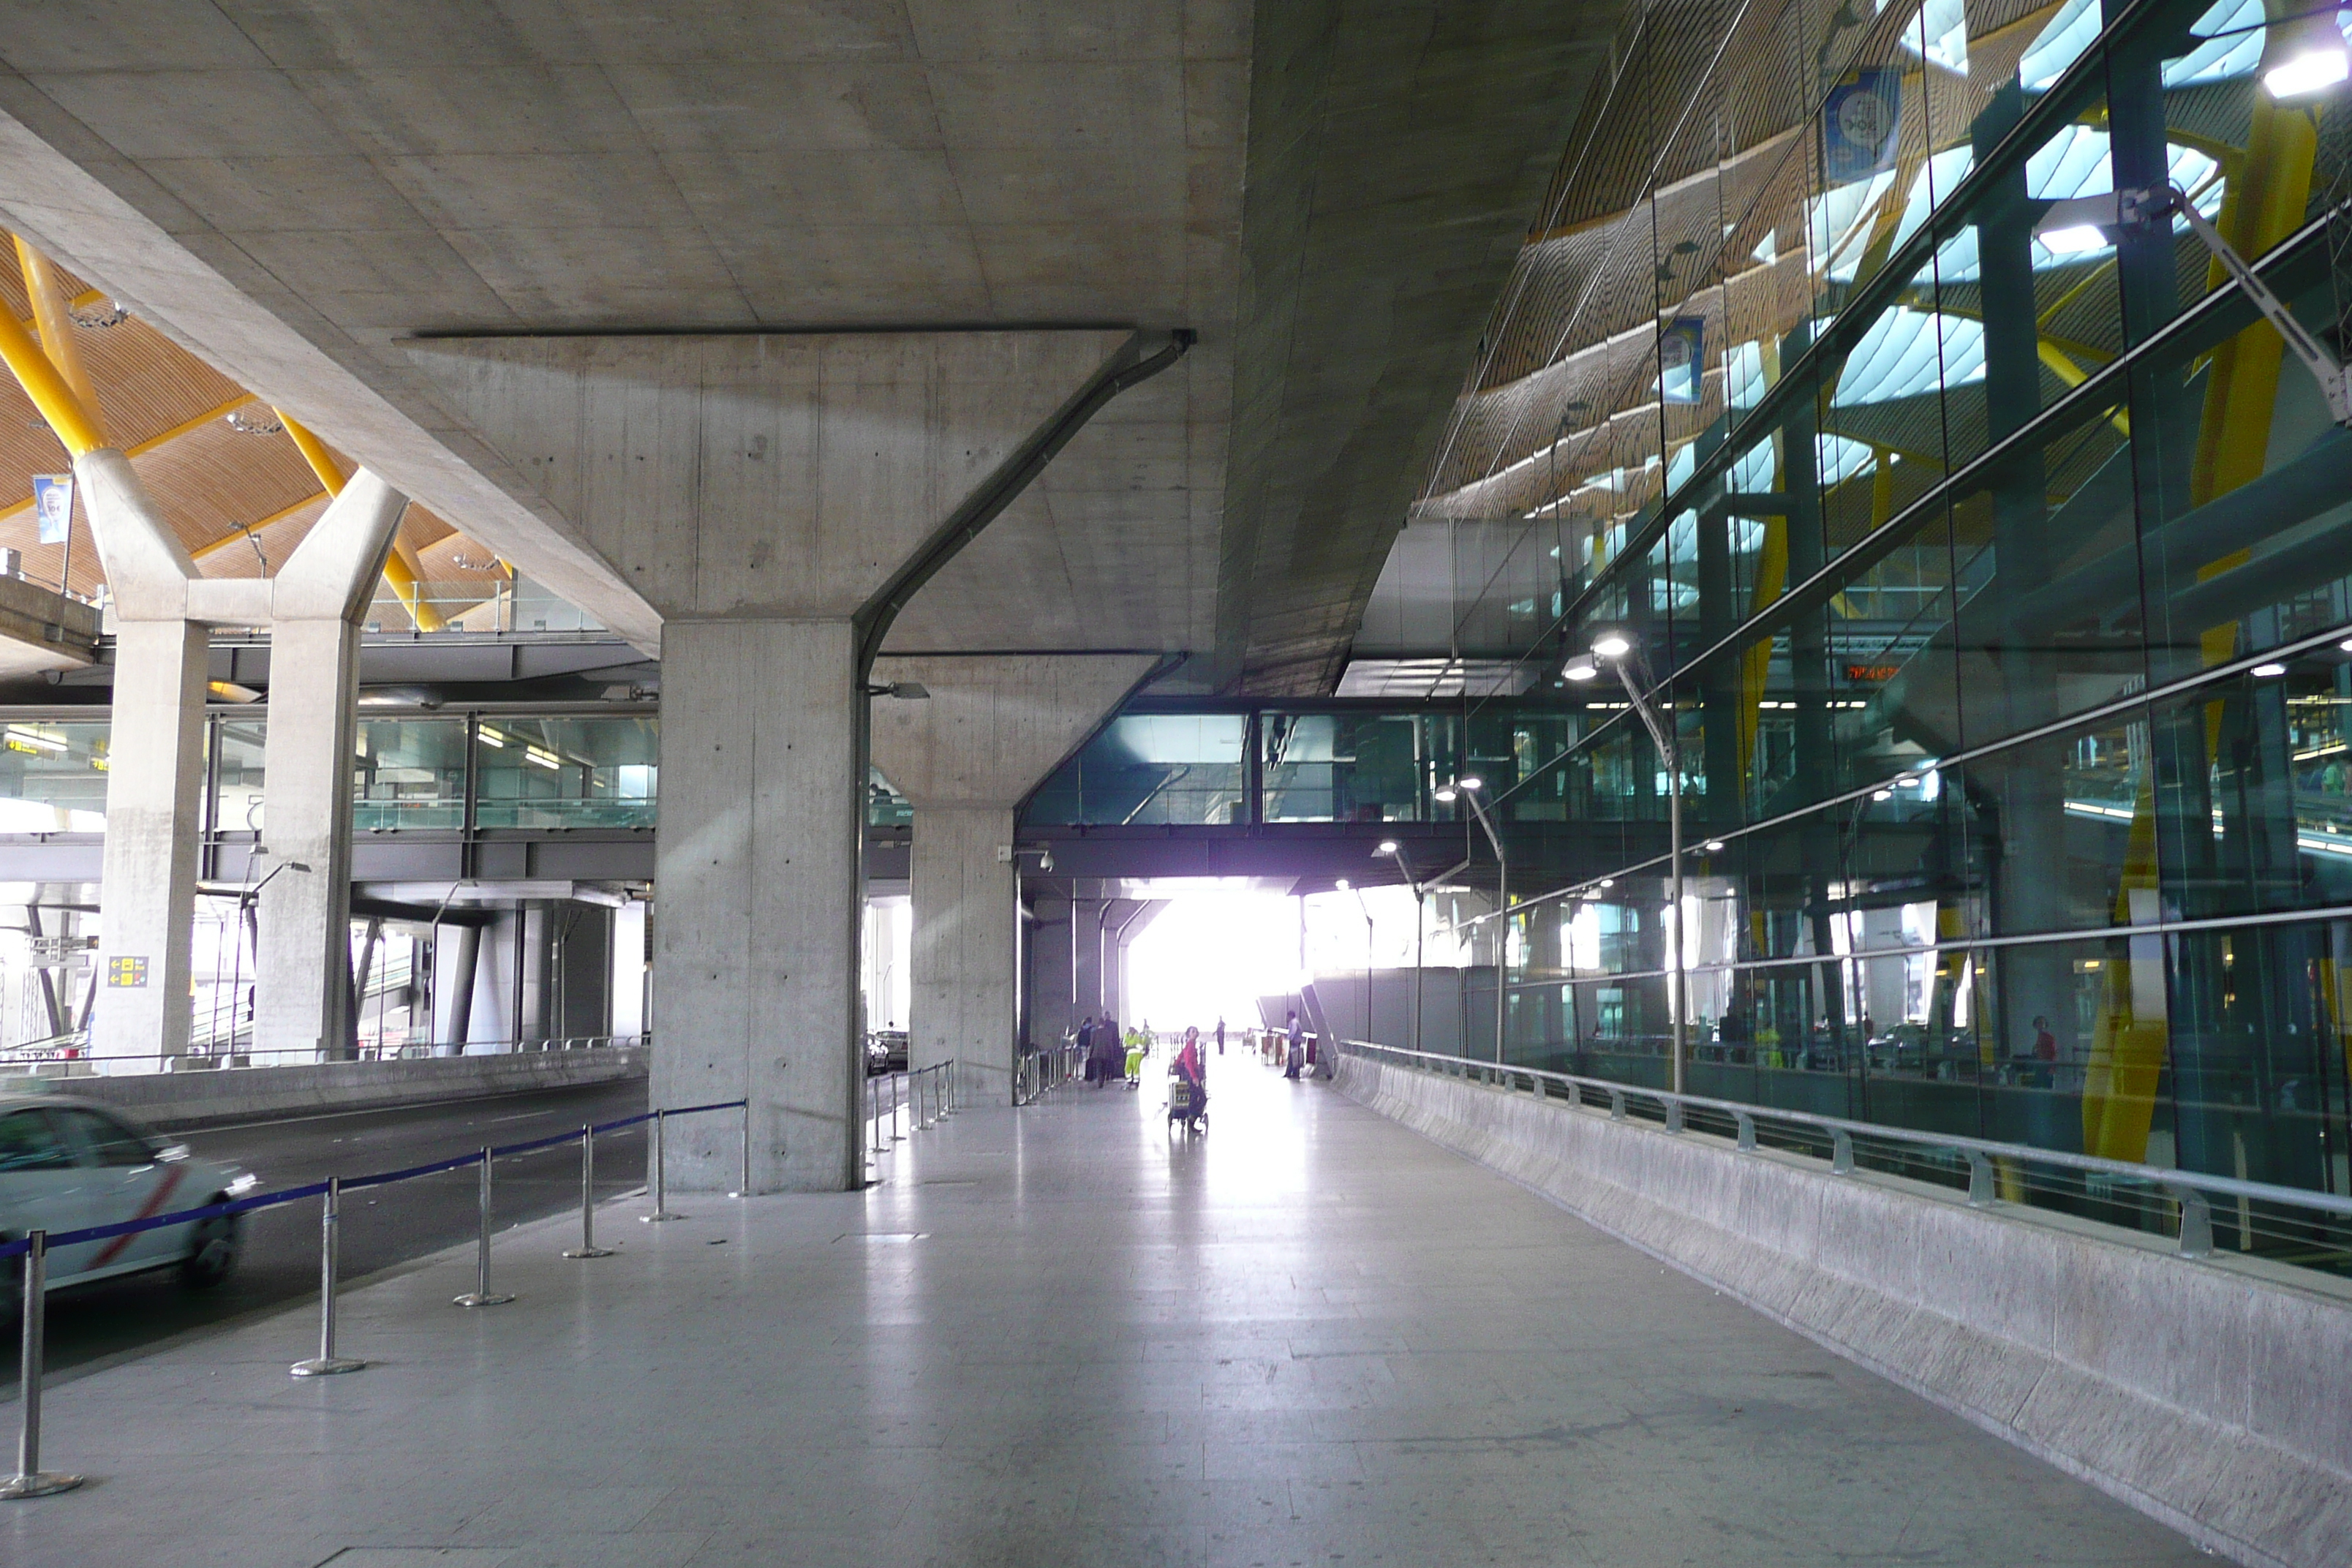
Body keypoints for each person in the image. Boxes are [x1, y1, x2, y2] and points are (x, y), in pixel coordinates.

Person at [1076, 1015, 1098, 1084]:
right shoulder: (1093, 1028)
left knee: (1082, 1061)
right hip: (1089, 1046)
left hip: (1082, 1046)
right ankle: (1089, 1074)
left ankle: (1081, 1074)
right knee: (1089, 1060)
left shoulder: (1081, 1029)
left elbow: (1078, 1038)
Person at [1284, 1009, 1304, 1080]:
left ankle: (1292, 1073)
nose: (1287, 1018)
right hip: (1296, 1042)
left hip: (1295, 1042)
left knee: (1293, 1058)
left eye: (1288, 1016)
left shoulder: (1293, 1022)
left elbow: (1293, 1031)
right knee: (1293, 1058)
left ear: (1290, 1016)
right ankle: (1291, 1073)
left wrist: (1290, 1038)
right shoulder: (1295, 1021)